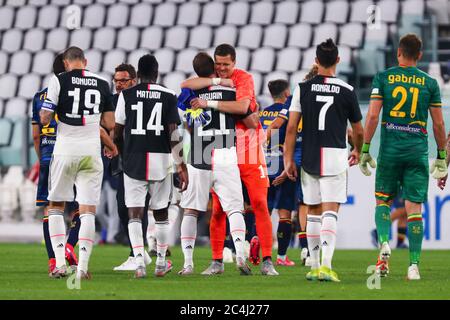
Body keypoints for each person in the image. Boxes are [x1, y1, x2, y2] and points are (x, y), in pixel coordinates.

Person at [360, 33, 447, 280]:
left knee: (383, 201)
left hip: (390, 152)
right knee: (414, 209)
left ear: (398, 52)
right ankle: (414, 266)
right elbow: (438, 124)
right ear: (419, 55)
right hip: (418, 152)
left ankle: (385, 243)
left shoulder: (384, 77)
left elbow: (373, 117)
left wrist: (366, 148)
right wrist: (441, 155)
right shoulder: (430, 83)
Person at [186, 44, 278, 276]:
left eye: (226, 64)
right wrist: (218, 85)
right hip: (222, 150)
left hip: (249, 150)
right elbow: (187, 85)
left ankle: (267, 260)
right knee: (218, 209)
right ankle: (217, 261)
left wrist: (213, 103)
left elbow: (244, 107)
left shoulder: (243, 78)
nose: (222, 68)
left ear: (234, 63)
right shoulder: (213, 79)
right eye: (219, 64)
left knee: (259, 203)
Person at [284, 39, 364, 282]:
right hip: (335, 155)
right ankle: (327, 266)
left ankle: (315, 266)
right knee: (331, 210)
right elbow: (358, 131)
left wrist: (288, 158)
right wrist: (358, 150)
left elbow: (290, 129)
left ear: (316, 61)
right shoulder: (347, 91)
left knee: (314, 211)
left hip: (309, 155)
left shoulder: (302, 88)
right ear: (338, 60)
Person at [40, 46, 116, 280]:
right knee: (87, 211)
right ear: (85, 61)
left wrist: (53, 114)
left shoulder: (59, 80)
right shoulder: (102, 82)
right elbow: (110, 123)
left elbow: (44, 116)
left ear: (66, 63)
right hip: (91, 151)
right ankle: (82, 268)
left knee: (55, 206)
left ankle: (60, 264)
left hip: (65, 149)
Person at [114, 54, 188, 278]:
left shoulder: (126, 95)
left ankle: (138, 262)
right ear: (156, 73)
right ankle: (161, 262)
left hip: (134, 158)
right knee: (161, 212)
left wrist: (124, 152)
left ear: (138, 73)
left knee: (134, 213)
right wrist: (181, 165)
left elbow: (117, 132)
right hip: (161, 160)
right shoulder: (168, 95)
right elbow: (173, 132)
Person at [177, 52, 251, 275]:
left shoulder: (192, 92)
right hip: (226, 149)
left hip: (200, 151)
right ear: (214, 68)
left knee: (191, 210)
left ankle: (188, 264)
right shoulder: (232, 90)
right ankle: (240, 255)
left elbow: (188, 123)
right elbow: (248, 119)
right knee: (235, 209)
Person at [31, 53, 80, 277]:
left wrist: (43, 158)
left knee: (50, 209)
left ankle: (54, 261)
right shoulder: (74, 93)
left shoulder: (39, 96)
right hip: (73, 154)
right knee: (82, 207)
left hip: (48, 156)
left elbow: (35, 136)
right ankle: (69, 245)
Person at [110, 63, 153, 272]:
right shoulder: (111, 101)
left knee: (138, 208)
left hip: (140, 159)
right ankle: (140, 252)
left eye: (123, 80)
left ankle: (137, 253)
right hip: (120, 161)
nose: (119, 84)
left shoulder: (140, 99)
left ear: (134, 81)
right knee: (122, 207)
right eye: (116, 80)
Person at [259, 79, 298, 266]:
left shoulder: (262, 113)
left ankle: (259, 250)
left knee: (263, 210)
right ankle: (281, 257)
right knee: (285, 213)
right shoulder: (289, 112)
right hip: (283, 161)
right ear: (286, 93)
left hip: (264, 164)